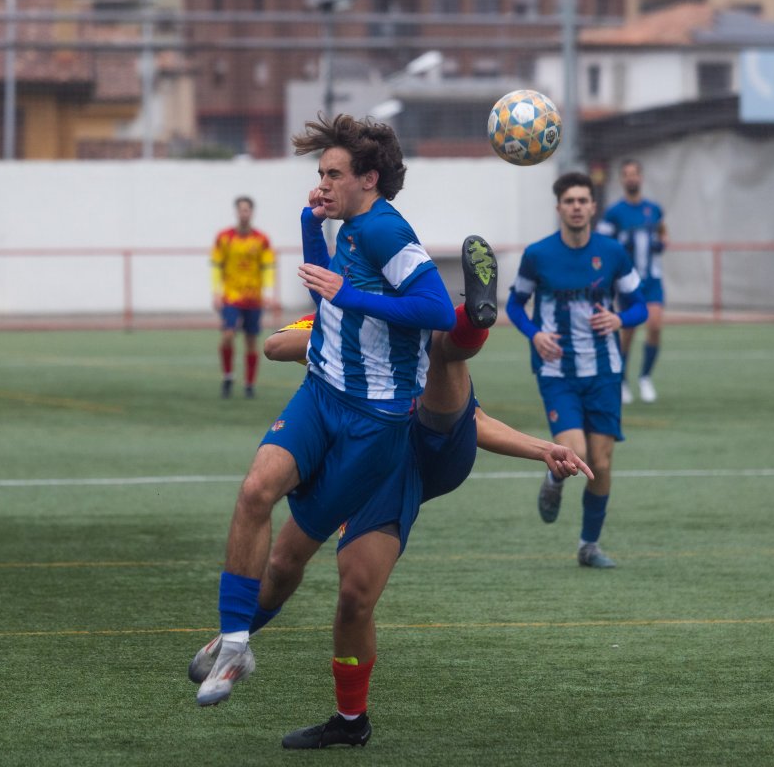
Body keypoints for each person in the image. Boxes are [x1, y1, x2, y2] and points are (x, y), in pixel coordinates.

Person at [190, 225, 592, 749]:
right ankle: (333, 711)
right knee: (323, 582)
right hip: (363, 457)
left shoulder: (414, 313)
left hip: (427, 448)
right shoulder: (338, 308)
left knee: (446, 348)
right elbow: (275, 344)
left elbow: (473, 417)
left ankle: (474, 318)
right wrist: (348, 334)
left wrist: (542, 448)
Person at [192, 113, 458, 740]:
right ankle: (234, 643)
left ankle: (302, 682)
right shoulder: (346, 223)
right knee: (257, 490)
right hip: (322, 393)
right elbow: (324, 296)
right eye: (319, 173)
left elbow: (436, 308)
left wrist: (349, 290)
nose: (323, 184)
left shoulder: (387, 230)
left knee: (288, 560)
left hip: (375, 422)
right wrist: (312, 227)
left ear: (369, 179)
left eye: (333, 175)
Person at [506, 172, 648, 570]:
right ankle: (553, 481)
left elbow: (639, 305)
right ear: (559, 207)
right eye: (569, 201)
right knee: (577, 454)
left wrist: (620, 320)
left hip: (604, 372)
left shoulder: (613, 252)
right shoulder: (538, 254)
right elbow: (516, 305)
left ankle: (588, 546)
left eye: (583, 200)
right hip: (558, 373)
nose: (577, 207)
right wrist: (534, 335)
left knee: (600, 465)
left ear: (593, 207)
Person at [595, 159, 668, 404]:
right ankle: (623, 380)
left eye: (634, 174)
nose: (631, 178)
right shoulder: (615, 212)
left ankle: (645, 377)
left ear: (641, 177)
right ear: (621, 180)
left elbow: (663, 231)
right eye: (626, 174)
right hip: (628, 281)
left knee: (655, 325)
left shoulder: (653, 209)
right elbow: (602, 242)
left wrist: (662, 242)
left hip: (652, 279)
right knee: (628, 331)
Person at [210, 196, 275, 398]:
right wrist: (216, 292)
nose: (244, 213)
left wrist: (268, 292)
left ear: (252, 212)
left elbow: (268, 267)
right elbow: (216, 266)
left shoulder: (262, 239)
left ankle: (249, 384)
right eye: (241, 210)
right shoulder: (224, 237)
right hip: (231, 295)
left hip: (253, 297)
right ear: (236, 212)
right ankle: (228, 376)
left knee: (251, 340)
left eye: (247, 210)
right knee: (228, 334)